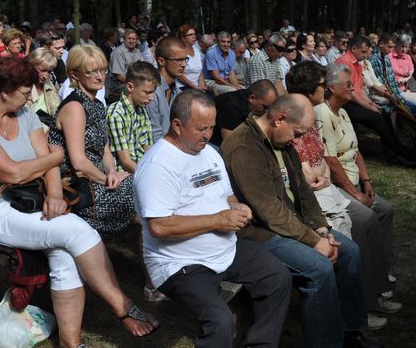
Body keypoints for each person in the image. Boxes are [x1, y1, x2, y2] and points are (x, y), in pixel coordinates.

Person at [0, 56, 158, 347]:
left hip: (32, 200)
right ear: (4, 91)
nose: (29, 98)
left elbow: (45, 162)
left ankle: (71, 343)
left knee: (64, 254)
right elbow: (11, 172)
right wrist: (56, 156)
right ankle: (123, 306)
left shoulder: (22, 113)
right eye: (25, 92)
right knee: (75, 230)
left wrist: (53, 192)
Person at [221, 94, 382, 348]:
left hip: (291, 224)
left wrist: (321, 227)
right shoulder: (243, 146)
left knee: (349, 251)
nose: (297, 140)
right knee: (318, 268)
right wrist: (314, 241)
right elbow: (269, 211)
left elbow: (303, 190)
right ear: (279, 119)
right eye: (297, 133)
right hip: (260, 234)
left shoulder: (282, 140)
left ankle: (352, 332)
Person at [134, 89, 291, 348]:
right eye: (200, 128)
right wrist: (219, 220)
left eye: (211, 127)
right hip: (179, 262)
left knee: (277, 277)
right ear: (177, 125)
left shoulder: (208, 152)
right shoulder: (158, 165)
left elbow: (225, 194)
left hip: (224, 247)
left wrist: (237, 207)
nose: (208, 135)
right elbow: (160, 227)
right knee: (219, 320)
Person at [286, 62, 401, 330]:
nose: (325, 87)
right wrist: (347, 188)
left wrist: (366, 181)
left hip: (329, 186)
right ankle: (365, 298)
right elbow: (311, 162)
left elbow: (334, 157)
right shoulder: (311, 115)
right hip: (322, 192)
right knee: (364, 221)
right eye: (322, 84)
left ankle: (377, 283)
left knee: (381, 212)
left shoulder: (331, 113)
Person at [48, 45, 136, 234]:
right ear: (75, 75)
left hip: (98, 178)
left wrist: (112, 171)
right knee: (142, 190)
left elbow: (105, 148)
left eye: (102, 70)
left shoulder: (96, 104)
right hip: (80, 187)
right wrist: (107, 180)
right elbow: (79, 163)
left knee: (141, 183)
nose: (100, 76)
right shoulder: (75, 107)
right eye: (92, 71)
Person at [336, 37, 416, 167]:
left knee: (383, 114)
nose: (366, 55)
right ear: (354, 49)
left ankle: (399, 151)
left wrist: (371, 104)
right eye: (363, 52)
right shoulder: (344, 62)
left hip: (353, 100)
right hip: (343, 103)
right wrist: (368, 106)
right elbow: (351, 93)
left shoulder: (357, 63)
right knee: (378, 118)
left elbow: (359, 89)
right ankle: (394, 155)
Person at [107, 62, 159, 173]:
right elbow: (125, 161)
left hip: (141, 168)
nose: (152, 98)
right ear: (130, 87)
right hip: (124, 174)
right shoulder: (116, 114)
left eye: (153, 93)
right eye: (147, 92)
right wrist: (147, 176)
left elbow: (148, 148)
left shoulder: (142, 110)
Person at [212, 79, 278, 146]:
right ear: (252, 98)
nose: (266, 112)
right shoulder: (232, 107)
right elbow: (228, 143)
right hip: (213, 143)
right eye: (265, 107)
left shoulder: (249, 102)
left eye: (270, 108)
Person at [147, 36, 186, 142]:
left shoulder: (178, 93)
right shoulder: (150, 92)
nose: (184, 64)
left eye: (185, 59)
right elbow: (154, 135)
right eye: (178, 60)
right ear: (161, 61)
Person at [25, 48, 61, 130]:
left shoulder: (49, 84)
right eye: (42, 70)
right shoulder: (22, 86)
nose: (46, 76)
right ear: (31, 65)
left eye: (49, 71)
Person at [108, 29, 144, 99]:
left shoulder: (138, 52)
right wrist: (137, 84)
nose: (131, 41)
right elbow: (120, 76)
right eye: (129, 38)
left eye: (133, 39)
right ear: (124, 39)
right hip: (118, 84)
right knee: (139, 91)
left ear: (136, 41)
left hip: (132, 82)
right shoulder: (118, 52)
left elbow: (141, 70)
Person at [177, 25, 207, 91]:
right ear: (183, 38)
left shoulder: (196, 50)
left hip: (197, 86)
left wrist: (201, 84)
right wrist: (195, 87)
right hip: (183, 86)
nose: (194, 36)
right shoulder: (179, 51)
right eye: (190, 35)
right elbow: (179, 75)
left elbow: (199, 70)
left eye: (194, 34)